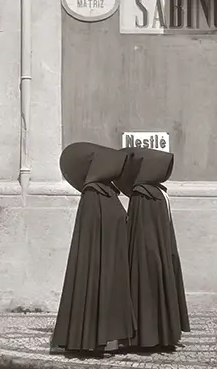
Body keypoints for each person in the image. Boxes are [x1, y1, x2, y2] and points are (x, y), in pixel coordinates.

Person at [51, 143, 139, 356]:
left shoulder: (108, 191)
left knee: (113, 296)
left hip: (112, 256)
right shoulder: (92, 194)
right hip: (98, 259)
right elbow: (90, 233)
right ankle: (91, 341)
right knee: (98, 292)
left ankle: (111, 339)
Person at [115, 147, 190, 351]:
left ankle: (160, 336)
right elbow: (143, 229)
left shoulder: (155, 193)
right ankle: (150, 337)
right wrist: (153, 253)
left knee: (157, 289)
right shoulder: (143, 194)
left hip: (158, 251)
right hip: (149, 253)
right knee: (149, 291)